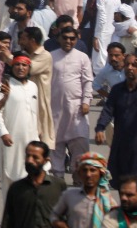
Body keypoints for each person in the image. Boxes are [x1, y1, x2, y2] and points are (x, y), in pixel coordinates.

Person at [95, 55, 137, 182]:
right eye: (127, 65)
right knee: (122, 183)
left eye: (134, 65)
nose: (130, 68)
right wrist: (100, 128)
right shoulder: (117, 90)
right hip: (122, 145)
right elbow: (108, 110)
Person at [49, 27, 93, 174]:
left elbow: (88, 82)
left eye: (72, 38)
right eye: (65, 37)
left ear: (77, 39)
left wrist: (86, 101)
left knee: (80, 144)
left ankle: (79, 178)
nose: (68, 41)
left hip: (76, 108)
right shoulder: (51, 56)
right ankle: (58, 178)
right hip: (54, 109)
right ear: (59, 38)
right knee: (55, 145)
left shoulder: (82, 57)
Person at [0, 54, 39, 183]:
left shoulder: (33, 86)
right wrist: (3, 133)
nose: (20, 68)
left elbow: (34, 114)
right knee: (10, 178)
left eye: (24, 65)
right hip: (11, 139)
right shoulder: (4, 87)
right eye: (17, 65)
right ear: (12, 67)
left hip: (31, 138)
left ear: (29, 68)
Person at [0, 140, 64, 228]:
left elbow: (67, 217)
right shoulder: (16, 188)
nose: (30, 160)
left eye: (35, 157)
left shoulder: (58, 186)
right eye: (28, 156)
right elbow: (8, 220)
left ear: (46, 160)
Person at [50, 152, 117, 228]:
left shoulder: (109, 202)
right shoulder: (69, 195)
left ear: (101, 174)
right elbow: (54, 215)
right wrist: (59, 224)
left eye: (92, 170)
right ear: (79, 173)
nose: (88, 174)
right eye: (84, 170)